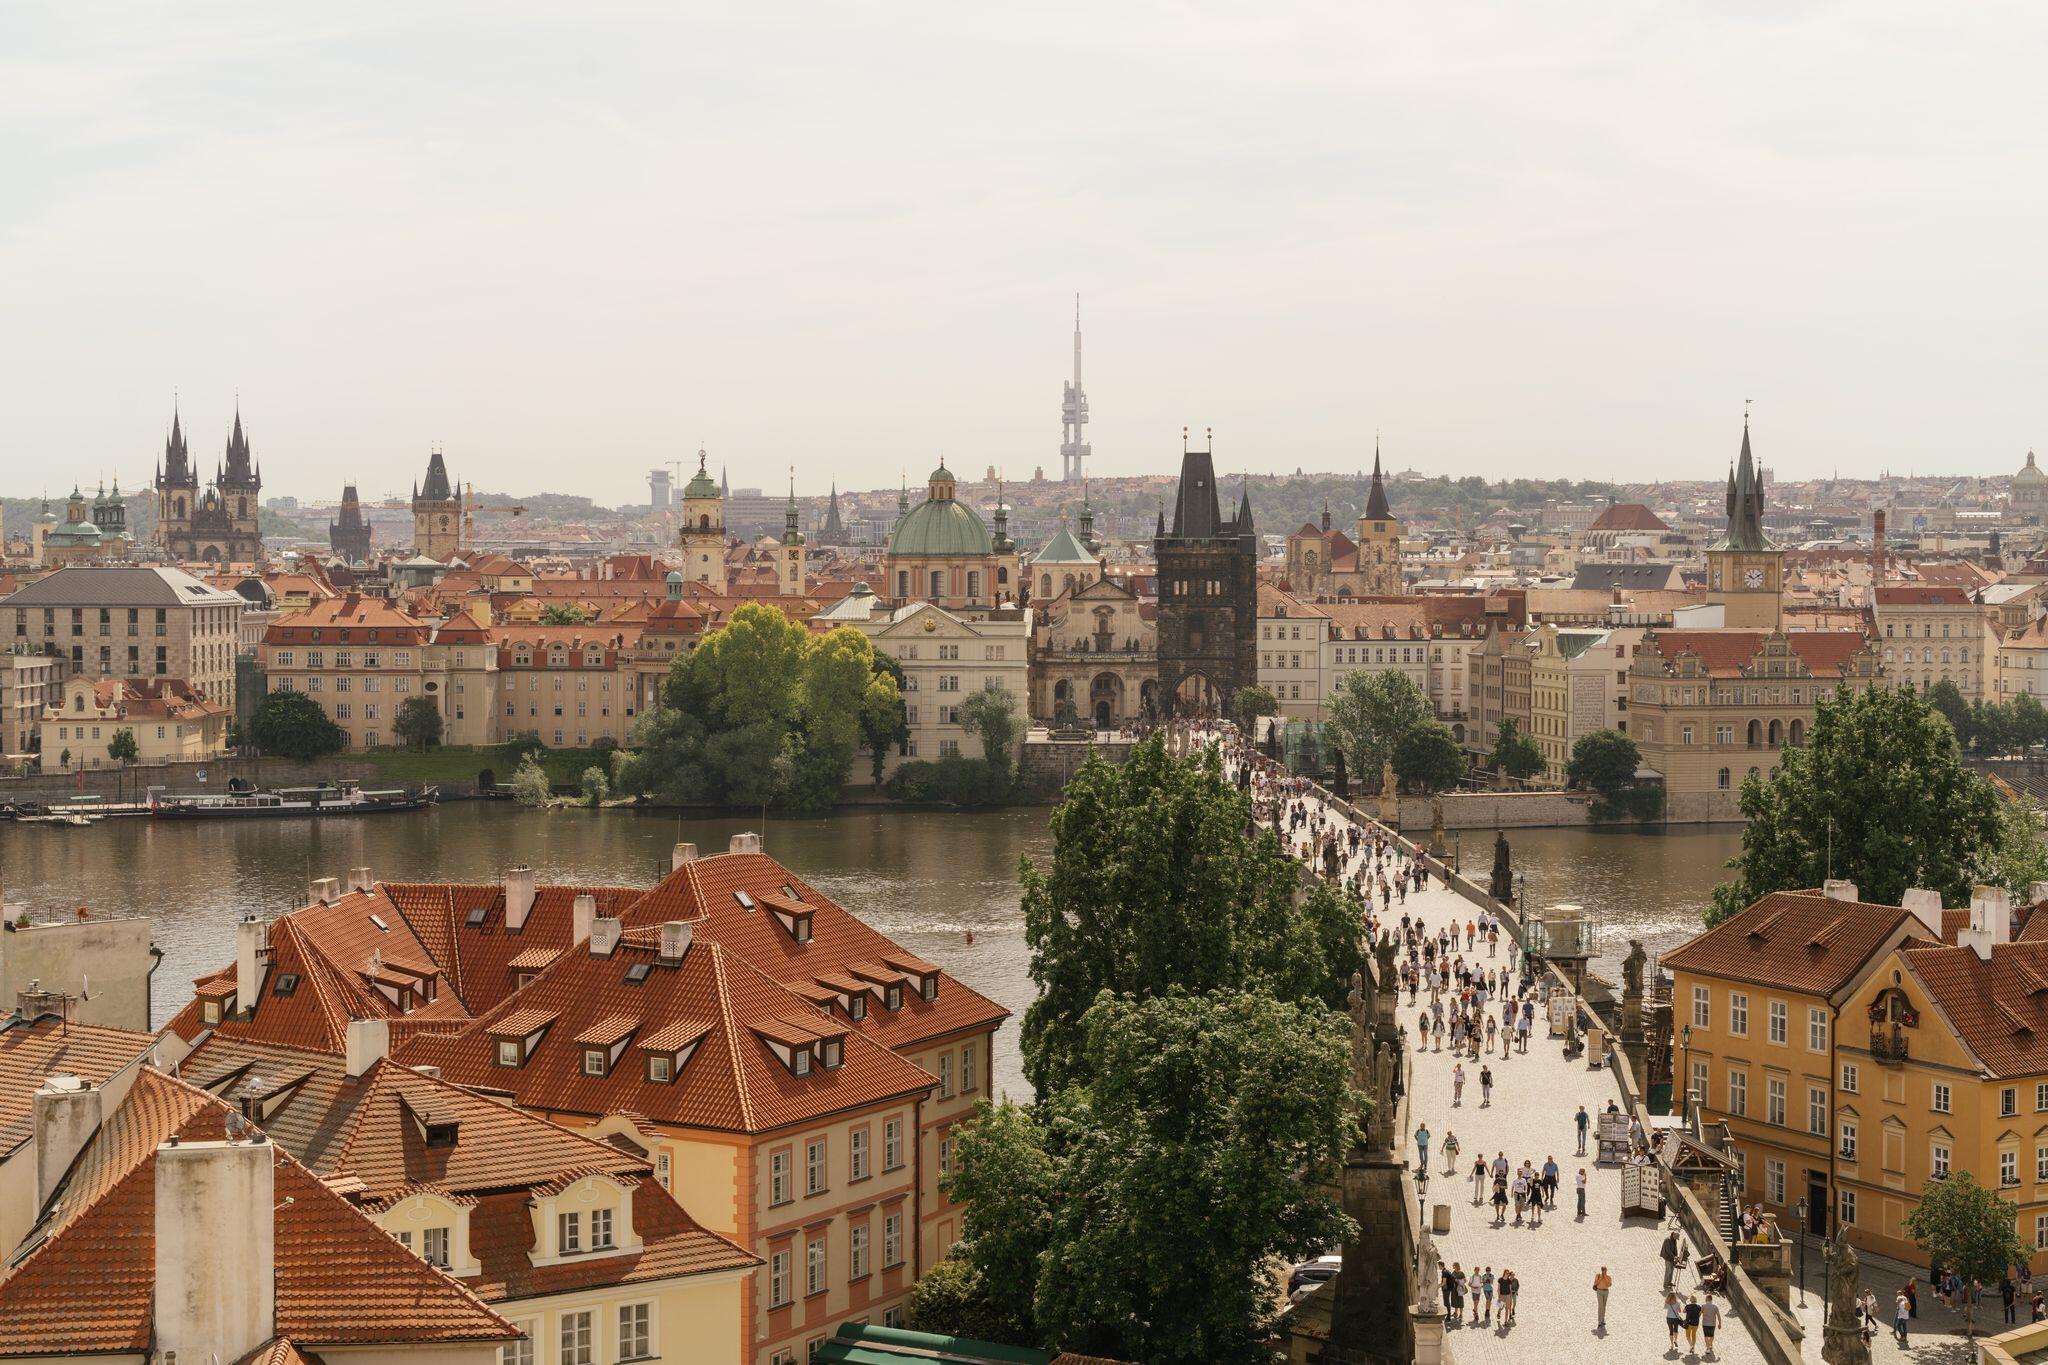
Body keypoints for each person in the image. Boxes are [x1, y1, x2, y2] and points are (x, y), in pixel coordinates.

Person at [1699, 1293, 1720, 1358]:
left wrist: (1696, 1320)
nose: (1705, 1299)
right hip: (1712, 1323)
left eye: (1705, 1298)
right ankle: (1710, 1344)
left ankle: (1708, 1348)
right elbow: (1718, 1316)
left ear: (1707, 1299)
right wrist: (1720, 1323)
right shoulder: (1715, 1307)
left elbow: (1700, 1314)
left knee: (1706, 1336)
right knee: (1711, 1335)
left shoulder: (1703, 1306)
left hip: (1705, 1323)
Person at [1592, 1267, 1611, 1332]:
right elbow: (1595, 1283)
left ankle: (1603, 1319)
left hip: (1606, 1291)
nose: (1604, 1272)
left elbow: (1609, 1285)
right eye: (1603, 1270)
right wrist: (1600, 1278)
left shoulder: (1608, 1277)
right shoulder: (1598, 1275)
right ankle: (1599, 1321)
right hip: (1599, 1291)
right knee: (1600, 1306)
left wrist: (1605, 1278)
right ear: (1601, 1270)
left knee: (1604, 1306)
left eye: (1605, 1270)